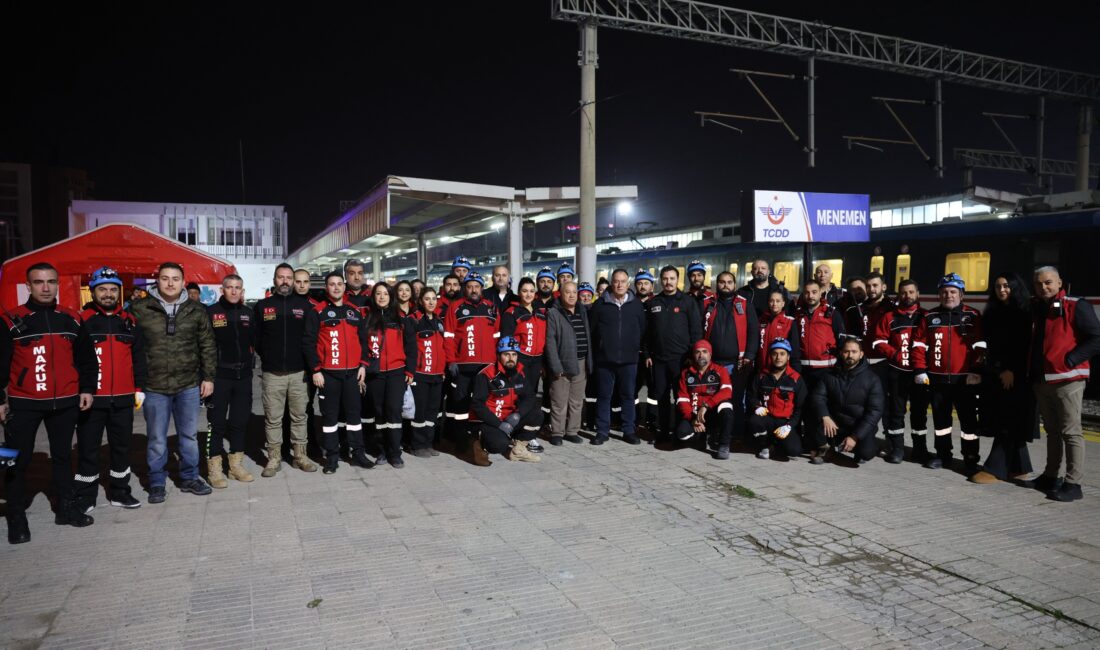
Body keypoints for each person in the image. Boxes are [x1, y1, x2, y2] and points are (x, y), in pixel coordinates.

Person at [1, 263, 97, 543]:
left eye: (51, 282)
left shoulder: (72, 319)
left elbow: (87, 360)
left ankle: (65, 509)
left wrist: (87, 389)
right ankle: (16, 516)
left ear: (57, 284)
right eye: (39, 282)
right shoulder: (10, 320)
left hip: (66, 402)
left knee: (63, 457)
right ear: (28, 286)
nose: (46, 287)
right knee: (15, 460)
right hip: (23, 403)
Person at [129, 262, 217, 503]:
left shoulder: (196, 310)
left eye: (175, 279)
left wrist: (208, 377)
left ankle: (190, 477)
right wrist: (136, 383)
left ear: (183, 282)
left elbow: (207, 345)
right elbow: (131, 347)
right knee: (157, 438)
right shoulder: (140, 308)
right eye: (165, 278)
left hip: (188, 384)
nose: (170, 283)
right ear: (157, 280)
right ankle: (156, 481)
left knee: (188, 436)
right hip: (154, 386)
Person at [74, 267, 147, 513]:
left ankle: (120, 492)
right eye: (102, 289)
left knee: (121, 448)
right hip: (92, 400)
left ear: (119, 292)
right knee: (88, 448)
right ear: (93, 291)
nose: (108, 294)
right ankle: (86, 496)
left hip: (124, 399)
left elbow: (139, 358)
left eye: (113, 289)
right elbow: (74, 361)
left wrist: (139, 388)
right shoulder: (81, 321)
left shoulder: (130, 321)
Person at [1029, 266, 1100, 502]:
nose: (1043, 287)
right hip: (1043, 380)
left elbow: (1096, 338)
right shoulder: (1038, 307)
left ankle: (1073, 483)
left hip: (1068, 380)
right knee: (1052, 432)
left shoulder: (1076, 305)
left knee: (1071, 432)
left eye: (1048, 282)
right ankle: (1050, 476)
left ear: (1060, 282)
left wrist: (1070, 359)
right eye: (1039, 284)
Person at [970, 273, 1037, 485]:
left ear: (1015, 287)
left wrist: (1011, 370)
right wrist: (995, 370)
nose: (1002, 290)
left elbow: (1023, 346)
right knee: (1007, 417)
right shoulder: (992, 313)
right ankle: (1019, 468)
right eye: (998, 286)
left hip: (1015, 375)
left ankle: (995, 468)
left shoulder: (1025, 313)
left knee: (1007, 419)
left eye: (1007, 286)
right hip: (996, 372)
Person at [914, 273, 985, 472]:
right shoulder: (929, 317)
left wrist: (976, 370)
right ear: (939, 295)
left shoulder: (972, 316)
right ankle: (943, 455)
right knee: (941, 422)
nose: (948, 295)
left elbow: (980, 345)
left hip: (965, 381)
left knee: (969, 424)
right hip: (937, 381)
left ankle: (971, 458)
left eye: (953, 292)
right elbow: (919, 345)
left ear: (961, 295)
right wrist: (920, 369)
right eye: (944, 292)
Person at [303, 272, 371, 474]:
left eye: (339, 284)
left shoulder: (354, 312)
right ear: (327, 288)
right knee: (330, 417)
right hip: (328, 375)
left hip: (352, 374)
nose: (336, 287)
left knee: (354, 416)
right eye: (332, 284)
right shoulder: (318, 312)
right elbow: (308, 343)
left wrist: (363, 366)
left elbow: (363, 341)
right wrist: (316, 370)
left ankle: (358, 453)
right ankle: (331, 458)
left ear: (344, 287)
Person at [254, 264, 317, 477]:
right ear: (274, 279)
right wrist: (268, 358)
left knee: (300, 416)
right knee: (273, 418)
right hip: (273, 374)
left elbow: (311, 339)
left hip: (299, 373)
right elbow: (257, 338)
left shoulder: (305, 306)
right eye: (281, 277)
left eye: (288, 278)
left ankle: (300, 455)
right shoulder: (263, 306)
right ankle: (274, 458)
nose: (285, 281)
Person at [204, 274, 256, 488]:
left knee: (239, 422)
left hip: (243, 377)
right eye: (230, 287)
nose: (234, 291)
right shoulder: (211, 313)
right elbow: (203, 347)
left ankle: (235, 466)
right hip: (219, 377)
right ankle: (214, 469)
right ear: (222, 289)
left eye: (238, 288)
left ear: (242, 291)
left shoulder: (248, 314)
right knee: (215, 424)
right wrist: (206, 377)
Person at [443, 271, 499, 466]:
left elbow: (496, 337)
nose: (473, 289)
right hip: (463, 366)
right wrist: (451, 361)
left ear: (481, 288)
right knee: (460, 405)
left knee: (482, 404)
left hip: (486, 367)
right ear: (464, 288)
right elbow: (449, 337)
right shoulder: (456, 307)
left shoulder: (491, 308)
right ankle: (460, 440)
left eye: (476, 286)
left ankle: (479, 439)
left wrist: (496, 362)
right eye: (469, 286)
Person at [873, 279, 931, 464]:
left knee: (919, 413)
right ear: (899, 295)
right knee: (896, 413)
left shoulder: (926, 316)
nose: (907, 296)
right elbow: (878, 341)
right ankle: (897, 449)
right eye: (904, 293)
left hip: (920, 373)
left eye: (911, 292)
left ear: (917, 293)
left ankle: (920, 450)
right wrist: (895, 354)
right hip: (897, 373)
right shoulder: (889, 317)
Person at [644, 266, 702, 442]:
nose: (668, 282)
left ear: (678, 280)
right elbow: (647, 332)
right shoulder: (653, 303)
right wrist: (647, 353)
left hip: (681, 360)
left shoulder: (687, 302)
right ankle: (662, 431)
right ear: (661, 280)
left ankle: (679, 431)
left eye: (672, 278)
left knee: (680, 397)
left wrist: (693, 357)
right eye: (665, 279)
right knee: (661, 397)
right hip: (659, 359)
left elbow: (696, 331)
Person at [589, 269, 647, 445]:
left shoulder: (636, 305)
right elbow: (592, 331)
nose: (620, 284)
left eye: (623, 281)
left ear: (628, 284)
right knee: (604, 396)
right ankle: (602, 431)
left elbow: (643, 330)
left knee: (628, 396)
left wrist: (637, 349)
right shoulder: (600, 305)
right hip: (605, 360)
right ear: (611, 283)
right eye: (616, 281)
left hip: (629, 360)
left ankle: (628, 430)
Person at [702, 270, 759, 443]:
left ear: (735, 285)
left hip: (737, 363)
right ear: (716, 284)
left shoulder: (744, 304)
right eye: (722, 282)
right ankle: (712, 432)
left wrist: (749, 355)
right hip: (713, 363)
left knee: (736, 400)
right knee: (711, 397)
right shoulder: (707, 304)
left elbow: (753, 331)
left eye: (729, 282)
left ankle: (736, 434)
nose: (725, 285)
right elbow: (699, 329)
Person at [810, 337, 885, 465]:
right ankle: (826, 449)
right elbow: (818, 397)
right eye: (846, 351)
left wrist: (855, 436)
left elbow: (875, 411)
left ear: (861, 354)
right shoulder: (829, 375)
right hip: (835, 424)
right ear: (841, 353)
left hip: (858, 425)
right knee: (816, 417)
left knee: (866, 453)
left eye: (854, 352)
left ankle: (856, 446)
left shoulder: (872, 379)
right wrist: (825, 416)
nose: (850, 355)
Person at [363, 282, 414, 468]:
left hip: (396, 373)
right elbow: (362, 347)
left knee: (393, 411)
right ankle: (381, 451)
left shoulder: (401, 319)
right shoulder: (368, 319)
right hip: (375, 374)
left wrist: (409, 370)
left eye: (385, 293)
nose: (382, 297)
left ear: (391, 297)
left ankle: (395, 452)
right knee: (379, 413)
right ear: (374, 297)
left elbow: (411, 347)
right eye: (378, 293)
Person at [795, 280, 845, 463]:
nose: (810, 296)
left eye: (814, 292)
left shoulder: (831, 313)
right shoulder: (798, 315)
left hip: (826, 369)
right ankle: (812, 443)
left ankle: (826, 446)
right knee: (807, 407)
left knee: (822, 408)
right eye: (807, 292)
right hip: (804, 369)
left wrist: (839, 367)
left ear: (820, 294)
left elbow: (841, 341)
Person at [469, 337, 542, 463]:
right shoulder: (486, 375)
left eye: (514, 354)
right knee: (498, 445)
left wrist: (518, 414)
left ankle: (517, 451)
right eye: (506, 354)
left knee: (537, 415)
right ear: (498, 356)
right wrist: (499, 424)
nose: (510, 358)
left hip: (510, 419)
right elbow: (477, 405)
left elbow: (529, 396)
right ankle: (479, 444)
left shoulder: (520, 372)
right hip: (491, 421)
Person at [500, 277, 548, 453]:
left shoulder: (541, 310)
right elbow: (506, 340)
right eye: (524, 291)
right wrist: (511, 364)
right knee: (520, 398)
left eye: (531, 291)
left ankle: (528, 435)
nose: (528, 294)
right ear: (519, 292)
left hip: (537, 360)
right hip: (521, 360)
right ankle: (515, 433)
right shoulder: (512, 313)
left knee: (532, 397)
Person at [545, 281, 592, 445]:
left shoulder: (582, 311)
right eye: (568, 292)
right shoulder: (554, 313)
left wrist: (588, 362)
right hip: (562, 364)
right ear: (560, 294)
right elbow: (550, 342)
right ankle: (557, 432)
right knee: (559, 401)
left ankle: (572, 431)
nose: (571, 295)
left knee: (576, 401)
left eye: (574, 292)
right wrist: (555, 366)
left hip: (581, 362)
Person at [747, 339, 806, 461]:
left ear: (788, 356)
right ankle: (765, 445)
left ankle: (776, 444)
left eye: (782, 354)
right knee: (754, 421)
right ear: (770, 355)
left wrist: (789, 426)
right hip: (767, 418)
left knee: (794, 451)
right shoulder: (761, 375)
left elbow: (800, 408)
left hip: (784, 422)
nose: (778, 357)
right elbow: (751, 396)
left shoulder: (796, 379)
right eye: (775, 353)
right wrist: (757, 406)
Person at [674, 340, 734, 458]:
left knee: (727, 408)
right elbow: (682, 399)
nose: (701, 355)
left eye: (704, 351)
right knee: (681, 434)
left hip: (713, 412)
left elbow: (726, 391)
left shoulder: (720, 370)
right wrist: (692, 419)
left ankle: (723, 445)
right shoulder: (686, 373)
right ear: (693, 355)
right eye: (697, 352)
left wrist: (707, 405)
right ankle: (701, 436)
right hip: (695, 414)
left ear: (710, 354)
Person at [405, 288, 446, 457]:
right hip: (420, 374)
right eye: (427, 299)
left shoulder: (438, 321)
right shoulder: (414, 320)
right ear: (421, 301)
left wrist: (443, 370)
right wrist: (410, 371)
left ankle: (428, 443)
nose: (431, 302)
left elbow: (442, 348)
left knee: (432, 411)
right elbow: (409, 348)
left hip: (437, 374)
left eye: (433, 299)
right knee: (419, 411)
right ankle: (417, 445)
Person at [846, 272, 894, 390]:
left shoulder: (892, 309)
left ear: (884, 287)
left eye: (875, 285)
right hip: (863, 363)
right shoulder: (857, 309)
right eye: (868, 286)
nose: (871, 289)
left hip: (884, 364)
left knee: (884, 401)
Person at [632, 269, 657, 435]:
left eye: (646, 283)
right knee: (632, 388)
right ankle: (633, 419)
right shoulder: (630, 303)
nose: (642, 286)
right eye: (640, 283)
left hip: (652, 354)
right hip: (633, 353)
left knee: (653, 390)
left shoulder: (657, 304)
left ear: (652, 286)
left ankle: (652, 420)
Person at [757, 290, 800, 371]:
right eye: (771, 301)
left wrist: (796, 370)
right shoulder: (761, 321)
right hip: (761, 369)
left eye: (778, 301)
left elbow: (795, 350)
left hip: (781, 371)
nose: (774, 304)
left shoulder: (789, 322)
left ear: (783, 303)